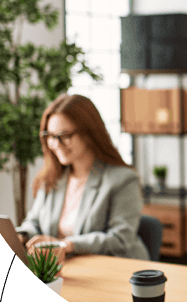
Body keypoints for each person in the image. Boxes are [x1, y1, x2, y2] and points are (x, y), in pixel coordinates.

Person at [16, 93, 150, 265]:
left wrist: (67, 245)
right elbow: (34, 222)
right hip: (65, 270)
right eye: (50, 136)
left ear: (88, 134)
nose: (56, 144)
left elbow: (120, 238)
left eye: (64, 135)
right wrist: (21, 236)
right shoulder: (52, 177)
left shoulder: (123, 179)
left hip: (113, 270)